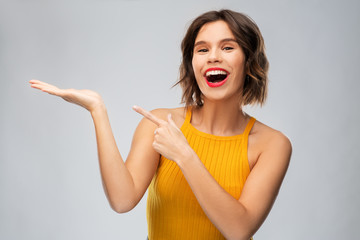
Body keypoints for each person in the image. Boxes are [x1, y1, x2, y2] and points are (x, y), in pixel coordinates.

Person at [29, 9, 291, 240]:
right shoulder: (161, 123)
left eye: (227, 47)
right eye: (202, 49)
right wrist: (97, 110)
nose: (213, 57)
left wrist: (184, 155)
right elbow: (122, 200)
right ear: (192, 64)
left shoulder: (272, 144)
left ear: (249, 64)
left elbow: (238, 230)